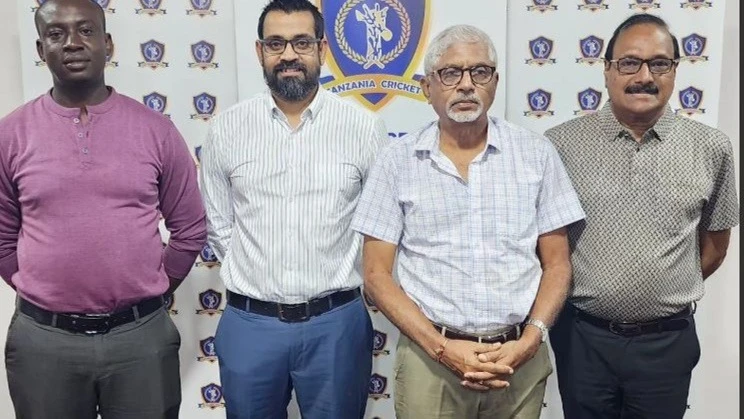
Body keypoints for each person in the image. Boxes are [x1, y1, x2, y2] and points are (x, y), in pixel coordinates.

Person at [351, 24, 585, 419]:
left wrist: (530, 340)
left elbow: (558, 263)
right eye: (450, 73)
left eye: (479, 72)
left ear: (494, 83)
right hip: (430, 360)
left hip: (517, 360)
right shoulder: (397, 161)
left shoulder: (536, 154)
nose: (465, 85)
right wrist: (443, 349)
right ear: (427, 88)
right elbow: (376, 275)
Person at [0, 0, 207, 418]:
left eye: (86, 31)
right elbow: (2, 236)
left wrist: (150, 287)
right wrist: (41, 288)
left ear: (107, 43)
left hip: (140, 339)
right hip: (45, 342)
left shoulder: (156, 130)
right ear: (41, 50)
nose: (72, 43)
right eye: (56, 34)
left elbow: (190, 228)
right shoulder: (11, 134)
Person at [198, 0, 388, 418]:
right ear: (259, 51)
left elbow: (380, 224)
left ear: (322, 49)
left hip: (336, 325)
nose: (288, 55)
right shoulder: (227, 128)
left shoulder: (363, 128)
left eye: (301, 42)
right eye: (276, 43)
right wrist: (256, 272)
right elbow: (218, 222)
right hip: (251, 324)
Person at [545, 14, 740, 419]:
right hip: (583, 339)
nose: (644, 76)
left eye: (659, 63)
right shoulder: (560, 145)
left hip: (666, 344)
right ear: (607, 70)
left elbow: (716, 246)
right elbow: (548, 246)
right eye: (630, 63)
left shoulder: (711, 148)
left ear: (675, 71)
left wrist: (657, 289)